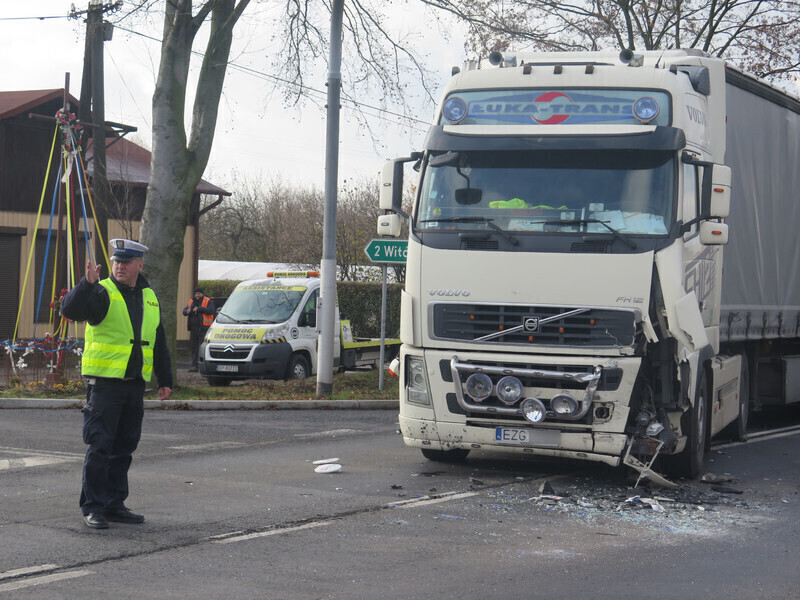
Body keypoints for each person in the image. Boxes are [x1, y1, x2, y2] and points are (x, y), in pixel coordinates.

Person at [61, 238, 173, 530]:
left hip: (135, 384)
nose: (119, 266)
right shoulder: (101, 292)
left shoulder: (149, 296)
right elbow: (70, 311)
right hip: (105, 386)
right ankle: (93, 507)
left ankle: (114, 504)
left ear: (139, 264)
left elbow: (158, 339)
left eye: (125, 262)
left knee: (124, 446)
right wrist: (85, 285)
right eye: (115, 261)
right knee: (101, 446)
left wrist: (166, 378)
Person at [182, 286, 215, 372]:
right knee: (194, 348)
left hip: (203, 328)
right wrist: (186, 311)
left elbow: (211, 311)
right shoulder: (191, 301)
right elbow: (184, 311)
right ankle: (194, 365)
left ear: (202, 294)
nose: (197, 295)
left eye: (199, 293)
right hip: (193, 329)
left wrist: (199, 309)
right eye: (196, 293)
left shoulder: (208, 301)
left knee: (202, 347)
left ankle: (202, 365)